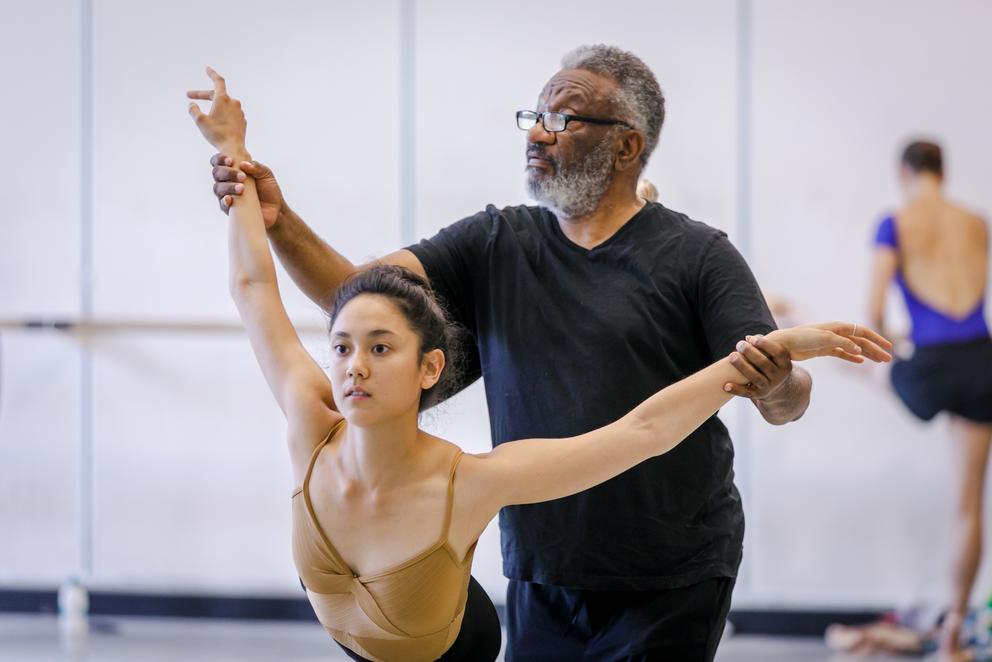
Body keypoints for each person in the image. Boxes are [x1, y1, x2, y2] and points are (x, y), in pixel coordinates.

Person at [188, 66, 890, 662]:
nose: (538, 131)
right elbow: (359, 298)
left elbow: (751, 404)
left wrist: (780, 375)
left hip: (670, 571)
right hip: (542, 567)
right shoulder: (495, 240)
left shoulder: (697, 255)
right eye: (535, 114)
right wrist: (271, 216)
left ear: (626, 147)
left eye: (564, 118)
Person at [867, 139, 992, 660]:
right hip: (982, 363)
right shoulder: (976, 222)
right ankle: (953, 637)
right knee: (968, 508)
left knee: (856, 360)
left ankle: (794, 314)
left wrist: (903, 341)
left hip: (930, 368)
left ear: (904, 172)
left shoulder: (895, 221)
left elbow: (872, 316)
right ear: (944, 170)